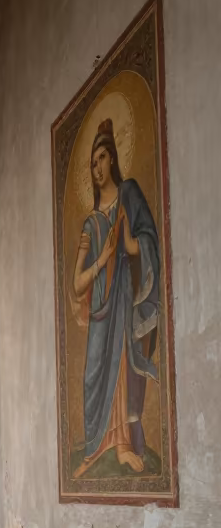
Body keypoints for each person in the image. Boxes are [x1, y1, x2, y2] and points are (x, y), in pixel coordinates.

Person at [72, 118, 160, 478]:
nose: (96, 168)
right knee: (93, 374)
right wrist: (103, 259)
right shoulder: (91, 223)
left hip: (124, 295)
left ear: (114, 160)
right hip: (98, 311)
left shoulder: (130, 194)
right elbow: (77, 284)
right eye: (92, 163)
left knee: (123, 362)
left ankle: (122, 444)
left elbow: (149, 239)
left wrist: (125, 246)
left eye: (101, 158)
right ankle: (96, 446)